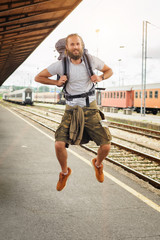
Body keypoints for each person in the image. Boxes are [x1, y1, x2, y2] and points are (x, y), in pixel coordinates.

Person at [35, 33, 113, 191]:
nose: (75, 47)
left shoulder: (91, 60)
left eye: (78, 44)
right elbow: (39, 77)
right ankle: (64, 172)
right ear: (67, 48)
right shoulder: (61, 64)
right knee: (58, 144)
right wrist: (56, 82)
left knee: (106, 145)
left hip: (91, 107)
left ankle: (98, 164)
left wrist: (101, 77)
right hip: (71, 109)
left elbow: (109, 70)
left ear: (82, 46)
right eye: (72, 45)